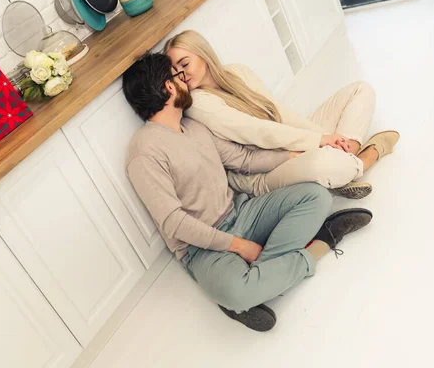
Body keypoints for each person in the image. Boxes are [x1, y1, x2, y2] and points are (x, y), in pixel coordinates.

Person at [122, 52, 373, 332]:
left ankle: (263, 280)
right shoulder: (144, 152)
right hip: (202, 249)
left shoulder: (192, 126)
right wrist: (239, 246)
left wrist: (301, 153)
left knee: (317, 196)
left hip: (242, 213)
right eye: (178, 76)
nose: (186, 82)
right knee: (237, 293)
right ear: (169, 87)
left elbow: (244, 160)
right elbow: (174, 223)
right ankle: (320, 244)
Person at [164, 30, 400, 199]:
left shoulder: (237, 72)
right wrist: (321, 143)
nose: (181, 75)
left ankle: (346, 161)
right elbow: (258, 132)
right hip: (264, 172)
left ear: (204, 54)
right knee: (330, 162)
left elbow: (278, 112)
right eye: (175, 71)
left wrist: (326, 138)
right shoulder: (198, 103)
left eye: (185, 64)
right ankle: (370, 153)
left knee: (361, 90)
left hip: (289, 141)